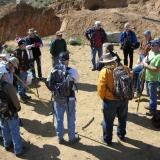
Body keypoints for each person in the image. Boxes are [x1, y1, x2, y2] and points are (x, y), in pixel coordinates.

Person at [97, 53, 131, 145]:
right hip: (123, 98)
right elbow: (130, 79)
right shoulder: (124, 67)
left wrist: (103, 97)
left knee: (108, 120)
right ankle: (121, 135)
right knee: (122, 118)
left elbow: (101, 87)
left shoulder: (105, 71)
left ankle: (107, 139)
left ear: (105, 62)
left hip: (110, 100)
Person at [46, 52, 80, 144]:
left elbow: (48, 83)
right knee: (71, 119)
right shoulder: (72, 71)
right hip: (70, 99)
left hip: (57, 99)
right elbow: (77, 80)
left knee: (59, 119)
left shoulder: (53, 70)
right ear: (67, 60)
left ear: (59, 60)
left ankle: (60, 138)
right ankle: (72, 138)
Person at [0, 65, 24, 157]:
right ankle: (18, 150)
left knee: (4, 127)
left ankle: (7, 144)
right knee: (14, 130)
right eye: (5, 73)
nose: (7, 75)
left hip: (1, 112)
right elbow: (15, 100)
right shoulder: (8, 86)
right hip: (10, 111)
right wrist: (18, 108)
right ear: (2, 75)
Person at [143, 38, 160, 115]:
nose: (151, 46)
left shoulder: (159, 57)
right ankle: (151, 106)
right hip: (147, 77)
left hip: (153, 79)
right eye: (151, 45)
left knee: (153, 96)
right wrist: (144, 62)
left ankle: (152, 110)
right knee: (149, 94)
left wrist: (146, 66)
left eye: (153, 45)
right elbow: (145, 59)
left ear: (158, 46)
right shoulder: (150, 52)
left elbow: (156, 69)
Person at [133, 30, 152, 96]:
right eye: (144, 35)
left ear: (149, 35)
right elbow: (140, 49)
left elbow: (150, 56)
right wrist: (139, 58)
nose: (145, 37)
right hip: (141, 60)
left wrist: (144, 61)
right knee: (135, 71)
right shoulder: (143, 41)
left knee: (141, 75)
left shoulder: (152, 43)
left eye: (146, 35)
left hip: (148, 63)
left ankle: (138, 91)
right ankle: (134, 88)